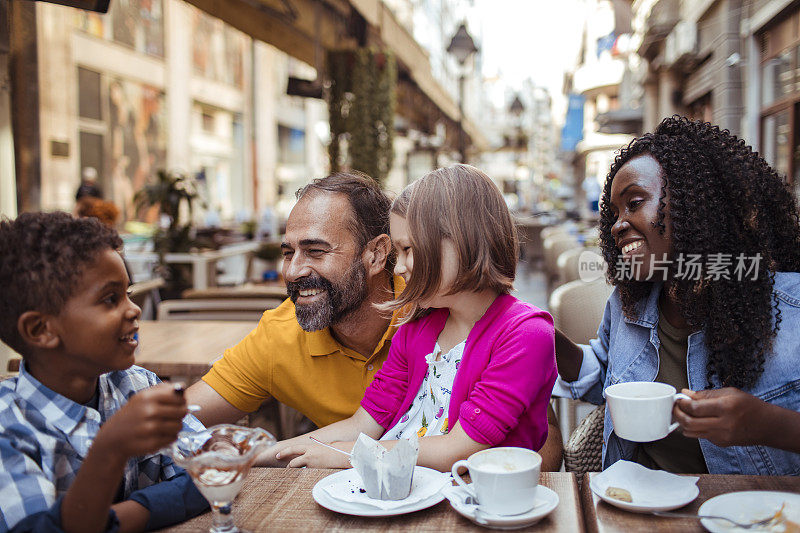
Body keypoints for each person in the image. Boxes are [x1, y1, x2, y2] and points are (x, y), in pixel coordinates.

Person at [185, 171, 564, 471]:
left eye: (409, 249)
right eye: (399, 251)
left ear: (461, 242)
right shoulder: (417, 326)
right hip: (405, 486)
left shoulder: (524, 333)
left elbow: (457, 449)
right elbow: (363, 424)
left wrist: (349, 454)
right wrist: (262, 453)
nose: (399, 265)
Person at [553, 116, 800, 475]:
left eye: (634, 202)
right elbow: (608, 377)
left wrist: (767, 424)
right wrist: (547, 338)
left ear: (696, 204)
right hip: (643, 506)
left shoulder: (792, 309)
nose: (618, 224)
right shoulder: (628, 306)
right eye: (614, 213)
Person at [0, 212, 208, 532]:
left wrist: (118, 518)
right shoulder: (9, 429)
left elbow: (210, 471)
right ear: (40, 329)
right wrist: (110, 448)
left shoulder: (138, 386)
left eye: (128, 292)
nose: (134, 308)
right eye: (110, 299)